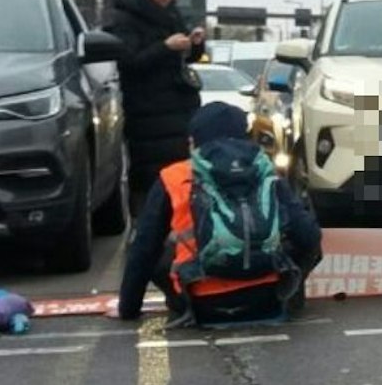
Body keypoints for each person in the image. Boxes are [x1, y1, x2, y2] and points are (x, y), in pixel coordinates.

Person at [118, 102, 322, 326]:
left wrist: (128, 309)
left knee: (153, 246)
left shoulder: (174, 176)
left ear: (194, 142)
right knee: (305, 236)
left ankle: (182, 302)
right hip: (266, 301)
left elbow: (143, 251)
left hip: (202, 306)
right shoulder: (264, 170)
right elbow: (309, 237)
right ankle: (290, 298)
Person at [106, 0, 205, 213]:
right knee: (151, 179)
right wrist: (165, 47)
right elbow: (129, 61)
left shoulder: (171, 13)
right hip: (146, 111)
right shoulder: (125, 18)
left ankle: (179, 223)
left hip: (178, 109)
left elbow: (183, 58)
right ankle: (148, 223)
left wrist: (194, 44)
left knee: (181, 177)